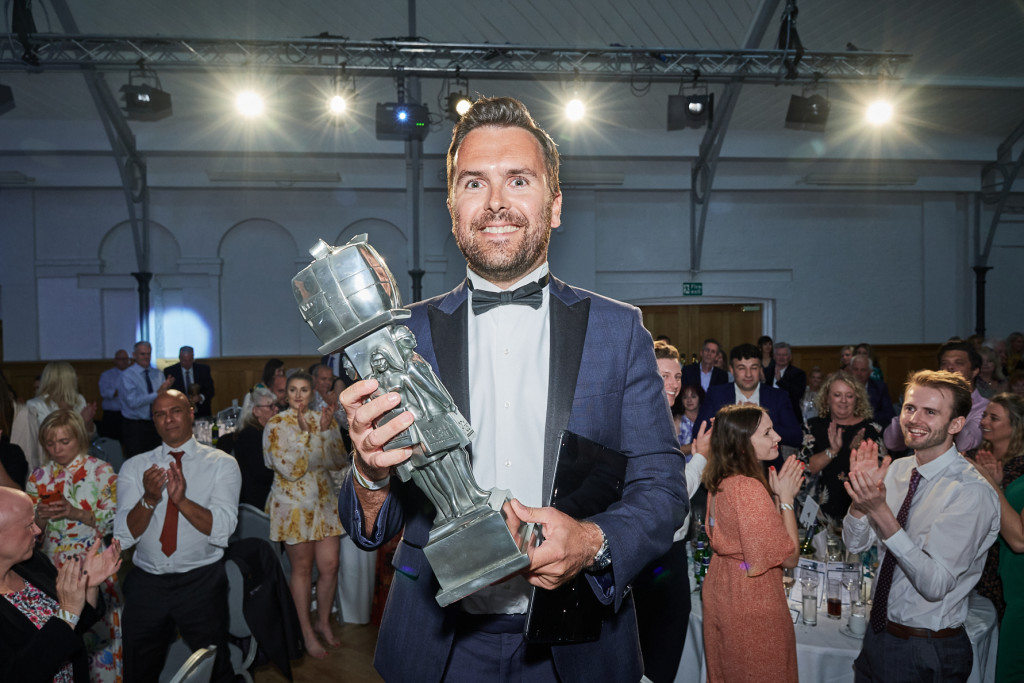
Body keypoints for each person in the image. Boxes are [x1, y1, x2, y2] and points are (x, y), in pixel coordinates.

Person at [337, 96, 686, 683]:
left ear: (553, 206)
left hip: (579, 642)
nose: (496, 202)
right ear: (452, 210)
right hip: (438, 644)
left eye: (518, 180)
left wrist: (594, 542)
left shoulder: (618, 330)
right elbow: (370, 525)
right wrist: (371, 474)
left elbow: (663, 487)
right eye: (475, 183)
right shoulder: (400, 339)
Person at [843, 370, 1000, 682]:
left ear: (956, 424)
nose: (914, 419)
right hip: (879, 636)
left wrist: (881, 512)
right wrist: (860, 500)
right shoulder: (897, 469)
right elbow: (855, 545)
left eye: (930, 412)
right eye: (910, 408)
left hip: (926, 648)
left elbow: (935, 585)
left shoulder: (970, 491)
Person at [113, 390, 241, 682]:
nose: (168, 419)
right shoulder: (135, 466)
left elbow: (223, 529)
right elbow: (123, 536)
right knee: (138, 670)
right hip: (147, 583)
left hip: (202, 581)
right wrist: (148, 498)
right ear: (153, 421)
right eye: (160, 414)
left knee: (216, 668)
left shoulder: (221, 463)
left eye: (176, 410)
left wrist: (181, 501)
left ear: (191, 413)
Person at [701, 404, 802, 683]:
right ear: (742, 445)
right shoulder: (747, 488)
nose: (778, 437)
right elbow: (789, 557)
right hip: (750, 597)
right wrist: (787, 500)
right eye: (768, 432)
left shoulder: (721, 480)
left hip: (725, 585)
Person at [27, 410, 121, 683]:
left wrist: (74, 512)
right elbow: (32, 532)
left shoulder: (101, 471)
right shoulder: (38, 477)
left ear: (79, 438)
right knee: (62, 632)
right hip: (52, 562)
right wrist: (40, 518)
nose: (57, 449)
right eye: (50, 443)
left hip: (92, 562)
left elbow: (113, 522)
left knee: (98, 630)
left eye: (64, 441)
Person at [0, 486, 122, 683]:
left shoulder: (31, 564)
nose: (38, 530)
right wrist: (68, 610)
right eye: (29, 525)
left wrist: (88, 584)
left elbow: (76, 624)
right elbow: (17, 675)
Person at [263, 371, 346, 659]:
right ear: (285, 395)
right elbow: (290, 468)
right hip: (293, 507)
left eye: (305, 390)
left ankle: (323, 622)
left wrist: (324, 431)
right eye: (293, 390)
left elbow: (337, 462)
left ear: (312, 394)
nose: (299, 395)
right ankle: (306, 631)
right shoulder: (276, 424)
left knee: (330, 565)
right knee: (301, 570)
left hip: (324, 505)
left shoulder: (323, 418)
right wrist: (310, 437)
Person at [634, 339, 690, 683]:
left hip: (670, 550)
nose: (673, 384)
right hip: (651, 550)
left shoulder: (667, 419)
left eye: (678, 376)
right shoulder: (640, 421)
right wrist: (700, 459)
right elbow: (667, 495)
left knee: (661, 653)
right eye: (664, 375)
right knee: (652, 653)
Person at [975, 400, 1024, 683]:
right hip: (1007, 579)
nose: (984, 422)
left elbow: (1019, 540)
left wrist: (991, 485)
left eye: (994, 417)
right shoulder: (985, 455)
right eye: (984, 415)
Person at [798, 370, 887, 523]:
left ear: (857, 399)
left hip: (860, 510)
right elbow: (805, 469)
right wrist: (831, 451)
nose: (843, 401)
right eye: (837, 395)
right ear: (827, 398)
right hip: (817, 511)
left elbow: (882, 476)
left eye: (849, 395)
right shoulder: (812, 427)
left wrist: (857, 452)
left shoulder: (872, 429)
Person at [697, 343, 803, 459]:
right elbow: (699, 432)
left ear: (760, 369)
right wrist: (733, 422)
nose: (748, 374)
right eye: (742, 368)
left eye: (754, 368)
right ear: (732, 370)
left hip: (767, 469)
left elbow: (796, 437)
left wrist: (762, 422)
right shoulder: (716, 394)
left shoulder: (777, 396)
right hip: (727, 464)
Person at [883, 340, 989, 454]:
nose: (950, 367)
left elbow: (964, 444)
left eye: (959, 363)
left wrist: (955, 404)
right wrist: (912, 407)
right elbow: (891, 443)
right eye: (944, 363)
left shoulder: (984, 406)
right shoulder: (926, 398)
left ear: (974, 371)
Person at [117, 342, 174, 458]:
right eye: (142, 354)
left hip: (156, 424)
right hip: (135, 426)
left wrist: (166, 392)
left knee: (157, 459)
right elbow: (133, 402)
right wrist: (158, 393)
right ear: (134, 355)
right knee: (136, 462)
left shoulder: (158, 374)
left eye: (148, 354)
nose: (146, 357)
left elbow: (162, 399)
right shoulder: (127, 375)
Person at [229, 386, 279, 510]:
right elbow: (263, 474)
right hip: (258, 503)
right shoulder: (251, 436)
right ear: (256, 411)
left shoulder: (264, 431)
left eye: (275, 405)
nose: (276, 409)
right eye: (271, 406)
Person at [26, 362, 96, 446]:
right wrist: (80, 422)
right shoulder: (35, 405)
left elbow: (89, 437)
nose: (77, 379)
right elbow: (41, 438)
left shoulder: (79, 399)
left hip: (78, 452)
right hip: (49, 454)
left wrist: (88, 421)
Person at [164, 346, 215, 418]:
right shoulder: (170, 371)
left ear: (193, 358)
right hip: (179, 412)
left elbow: (211, 391)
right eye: (184, 360)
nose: (187, 363)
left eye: (189, 360)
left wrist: (200, 397)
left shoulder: (203, 370)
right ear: (179, 358)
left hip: (201, 412)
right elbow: (168, 394)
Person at [763, 341, 807, 423]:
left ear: (790, 357)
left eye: (784, 355)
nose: (781, 357)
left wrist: (780, 381)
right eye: (778, 355)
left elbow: (796, 395)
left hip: (790, 415)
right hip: (768, 415)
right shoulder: (766, 372)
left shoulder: (798, 374)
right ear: (774, 356)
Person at [850, 353, 896, 425]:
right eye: (856, 369)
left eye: (863, 370)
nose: (859, 373)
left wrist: (864, 417)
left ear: (870, 372)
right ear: (851, 370)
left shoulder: (880, 388)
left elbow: (889, 415)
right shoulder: (843, 387)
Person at [97, 350, 130, 441]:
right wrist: (119, 391)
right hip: (112, 414)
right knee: (111, 441)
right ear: (115, 360)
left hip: (128, 414)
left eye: (126, 359)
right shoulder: (106, 375)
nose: (124, 361)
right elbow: (104, 392)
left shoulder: (133, 374)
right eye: (121, 359)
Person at [655, 341, 683, 435]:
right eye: (664, 376)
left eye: (677, 377)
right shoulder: (638, 421)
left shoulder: (665, 419)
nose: (675, 385)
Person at [678, 383, 705, 457]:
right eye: (685, 397)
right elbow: (675, 450)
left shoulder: (706, 420)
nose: (689, 400)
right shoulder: (677, 421)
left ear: (700, 398)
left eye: (693, 396)